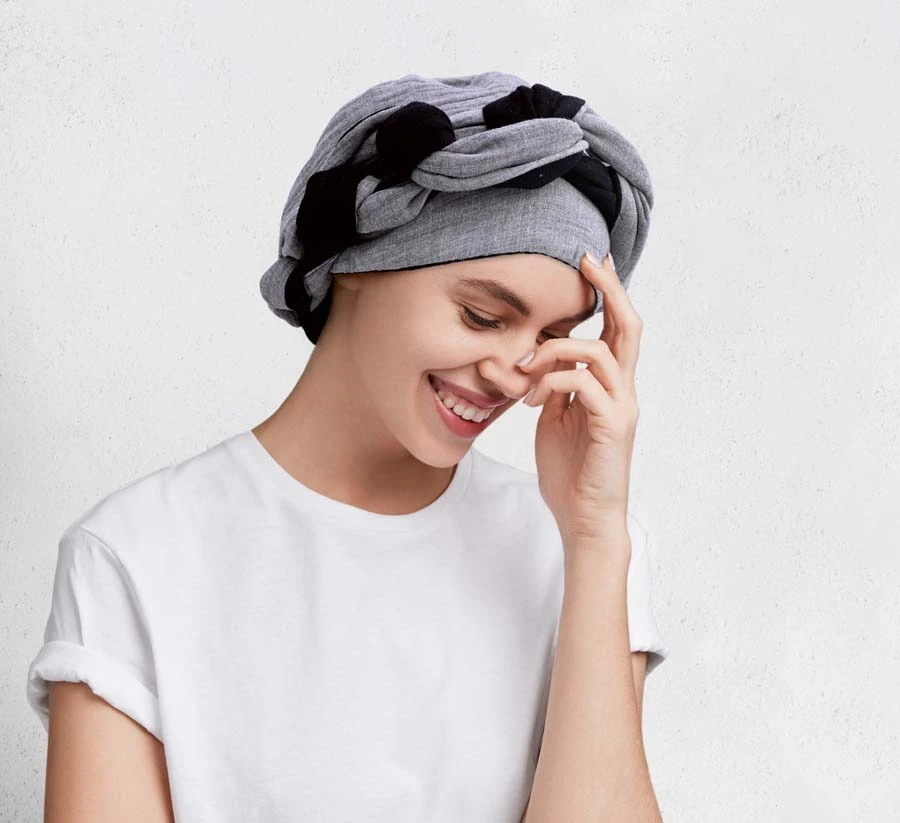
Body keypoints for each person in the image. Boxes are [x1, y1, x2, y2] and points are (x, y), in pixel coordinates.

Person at [25, 71, 669, 822]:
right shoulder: (136, 554)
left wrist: (594, 537)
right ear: (359, 265)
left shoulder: (579, 547)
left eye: (553, 338)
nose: (515, 371)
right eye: (483, 316)